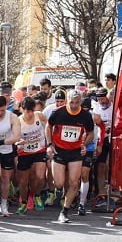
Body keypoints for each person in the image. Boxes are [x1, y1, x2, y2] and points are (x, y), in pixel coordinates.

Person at [46, 89, 94, 223]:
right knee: (59, 183)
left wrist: (84, 144)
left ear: (80, 102)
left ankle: (64, 212)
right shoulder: (58, 112)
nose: (74, 105)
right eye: (71, 102)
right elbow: (48, 127)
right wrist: (50, 144)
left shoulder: (85, 116)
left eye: (77, 103)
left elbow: (91, 133)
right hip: (59, 150)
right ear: (67, 101)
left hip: (75, 152)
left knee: (74, 183)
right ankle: (58, 190)